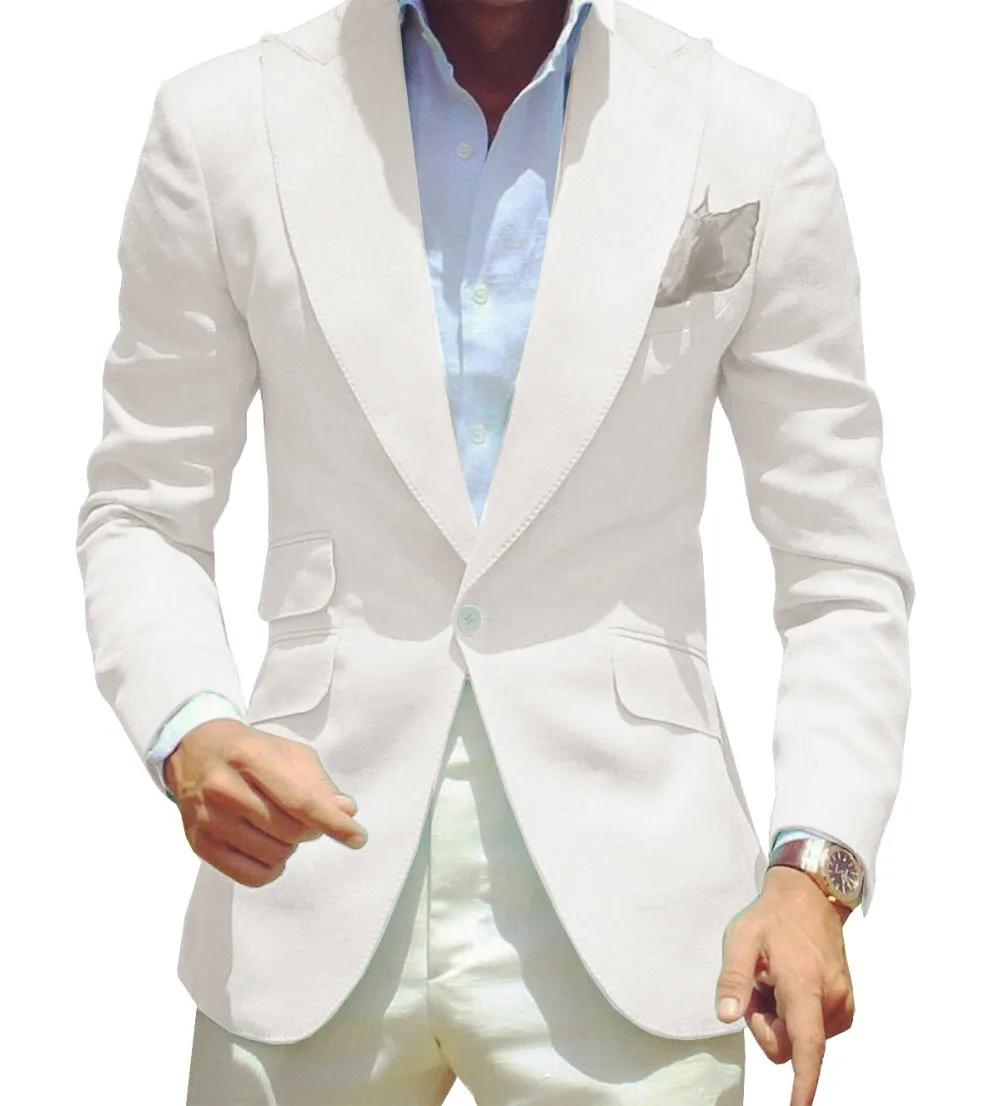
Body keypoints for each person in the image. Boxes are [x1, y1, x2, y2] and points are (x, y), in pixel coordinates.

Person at [75, 1, 915, 1103]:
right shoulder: (227, 124)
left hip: (641, 907)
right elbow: (142, 506)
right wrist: (190, 728)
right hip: (303, 883)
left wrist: (815, 868)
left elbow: (839, 562)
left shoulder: (748, 131)